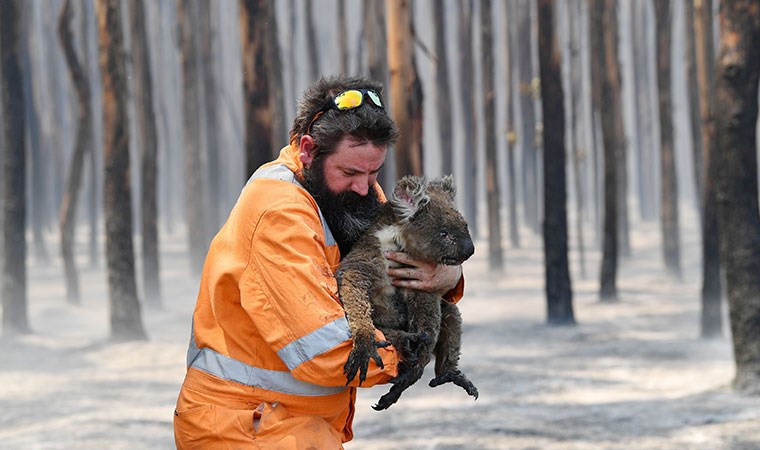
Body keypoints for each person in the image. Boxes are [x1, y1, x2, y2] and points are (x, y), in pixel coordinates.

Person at [173, 75, 465, 449]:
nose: (366, 186)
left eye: (374, 172)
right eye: (351, 172)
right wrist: (411, 353)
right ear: (309, 150)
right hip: (243, 429)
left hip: (292, 424)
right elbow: (324, 350)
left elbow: (407, 259)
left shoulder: (346, 194)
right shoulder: (280, 213)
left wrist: (447, 277)